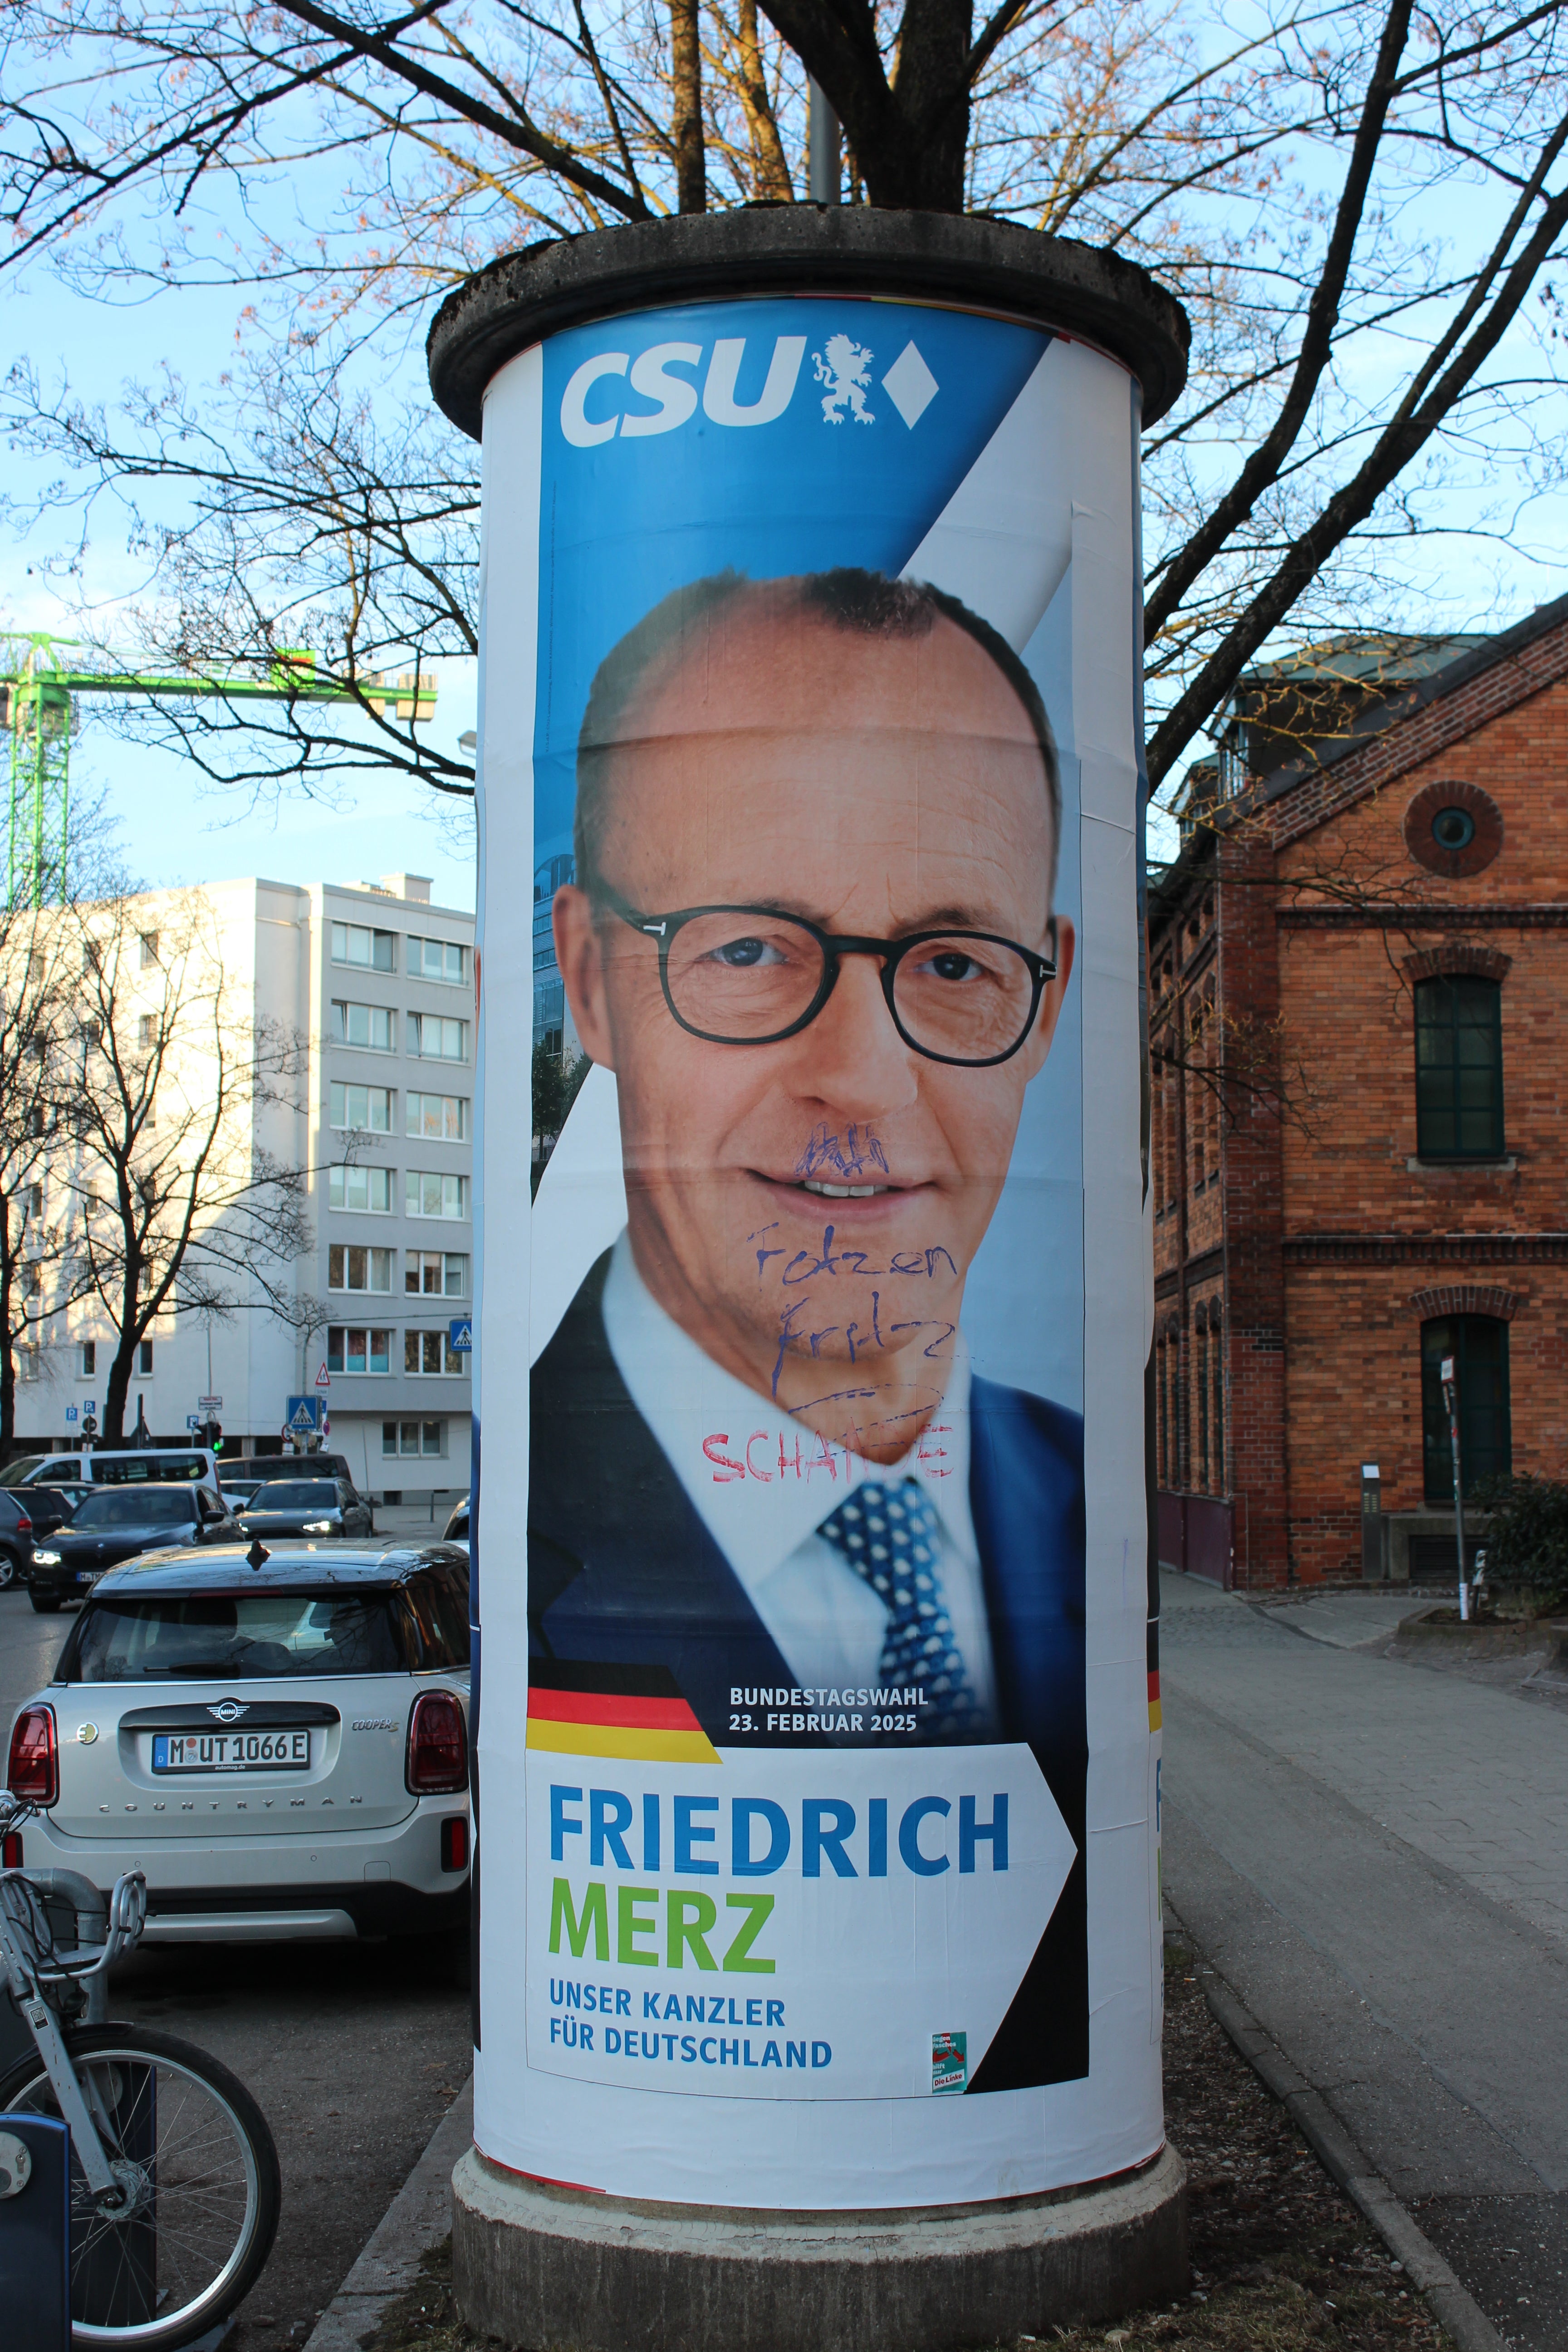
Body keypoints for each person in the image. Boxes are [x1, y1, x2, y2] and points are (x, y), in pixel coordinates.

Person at [527, 566, 1088, 2088]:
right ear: (593, 978)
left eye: (955, 963)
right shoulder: (520, 1537)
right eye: (752, 948)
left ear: (1045, 1004)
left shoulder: (1095, 1506)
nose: (867, 1080)